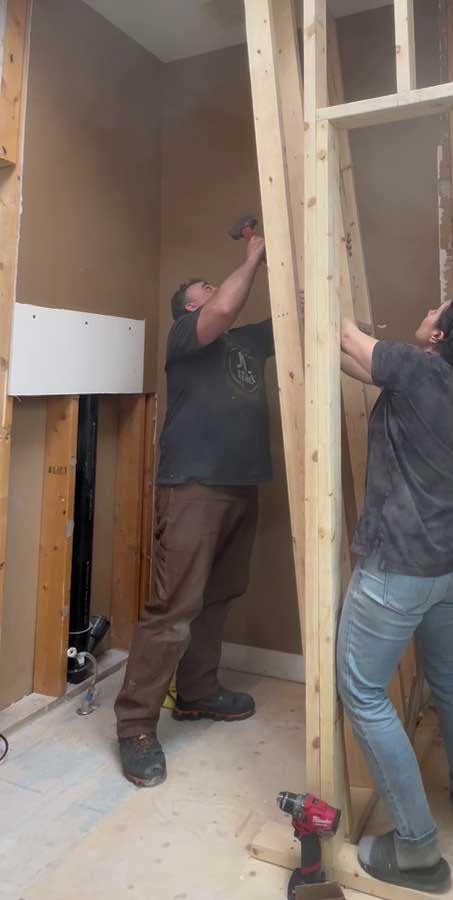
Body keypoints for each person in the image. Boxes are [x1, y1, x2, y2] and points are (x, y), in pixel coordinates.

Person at [337, 295, 453, 894]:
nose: (426, 310)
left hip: (400, 567)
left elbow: (354, 342)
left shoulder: (421, 368)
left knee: (362, 692)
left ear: (436, 337)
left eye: (435, 311)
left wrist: (319, 295)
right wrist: (341, 344)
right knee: (451, 679)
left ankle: (417, 852)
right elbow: (364, 364)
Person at [115, 234, 272, 787]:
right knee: (173, 609)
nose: (215, 285)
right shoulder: (185, 337)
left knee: (217, 596)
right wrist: (252, 254)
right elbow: (226, 302)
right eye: (204, 285)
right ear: (190, 305)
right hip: (193, 487)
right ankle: (134, 724)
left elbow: (297, 320)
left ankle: (198, 693)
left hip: (241, 485)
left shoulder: (246, 342)